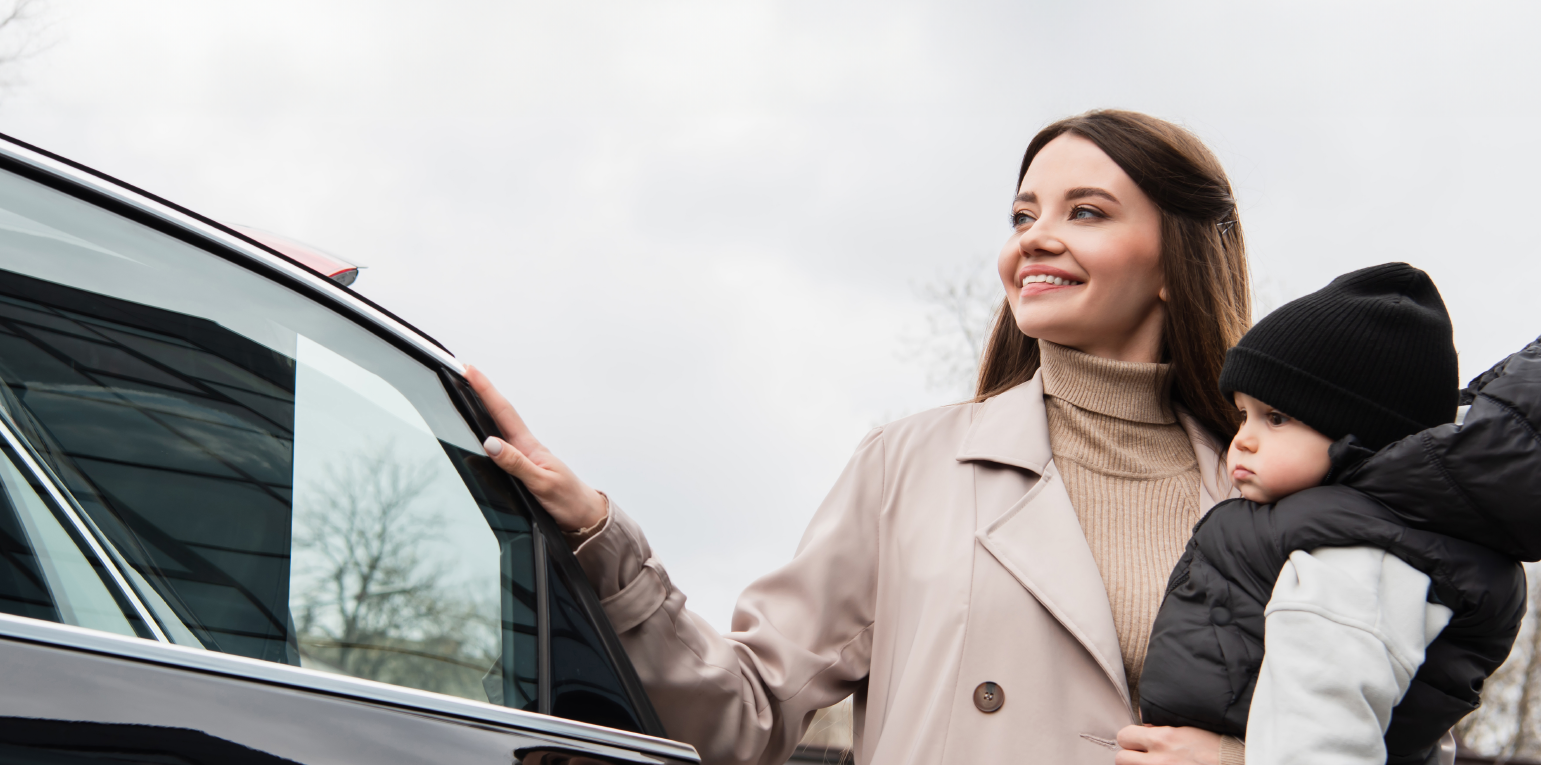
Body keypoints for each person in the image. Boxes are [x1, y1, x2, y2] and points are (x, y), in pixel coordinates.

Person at [467, 109, 1256, 765]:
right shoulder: (909, 468)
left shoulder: (1264, 496)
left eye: (1084, 211)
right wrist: (600, 537)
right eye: (1022, 215)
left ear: (1170, 261)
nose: (1033, 239)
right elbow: (743, 710)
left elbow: (1353, 722)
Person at [1135, 264, 1541, 765]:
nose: (1243, 437)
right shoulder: (1349, 527)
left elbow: (1326, 736)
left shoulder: (1359, 558)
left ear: (1358, 438)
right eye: (1243, 413)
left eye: (1277, 418)